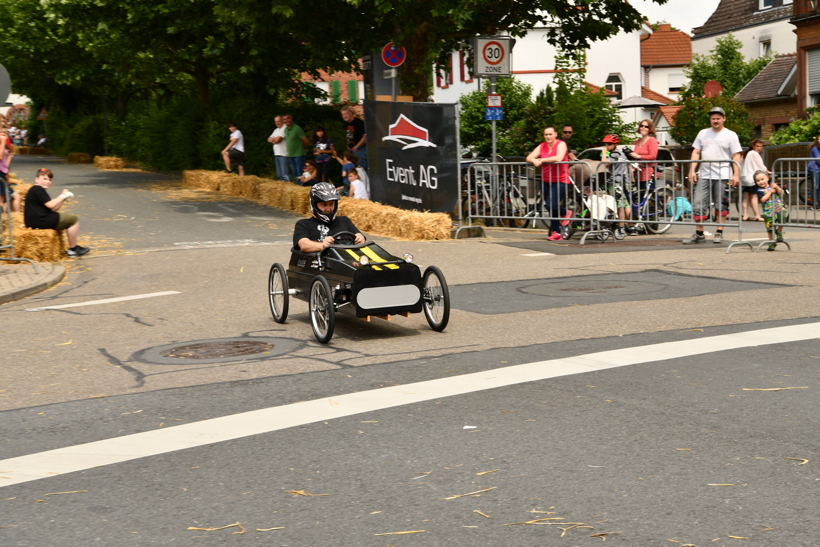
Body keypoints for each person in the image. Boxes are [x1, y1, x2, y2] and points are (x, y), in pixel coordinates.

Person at [682, 106, 742, 245]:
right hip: (704, 174)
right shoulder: (703, 133)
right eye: (713, 118)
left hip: (723, 175)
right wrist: (692, 170)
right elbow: (696, 152)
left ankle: (719, 232)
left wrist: (736, 174)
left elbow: (736, 155)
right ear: (710, 120)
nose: (715, 121)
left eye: (718, 118)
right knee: (698, 203)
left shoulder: (730, 135)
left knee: (721, 204)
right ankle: (699, 233)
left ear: (724, 119)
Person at [24, 168, 89, 257]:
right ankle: (73, 250)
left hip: (37, 220)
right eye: (44, 179)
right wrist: (62, 195)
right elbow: (51, 205)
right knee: (74, 220)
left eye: (50, 180)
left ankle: (73, 249)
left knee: (66, 218)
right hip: (41, 220)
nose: (47, 181)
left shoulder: (37, 190)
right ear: (36, 179)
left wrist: (63, 199)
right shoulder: (37, 189)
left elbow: (54, 209)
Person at [526, 125, 573, 241]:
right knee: (550, 207)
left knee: (551, 205)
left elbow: (559, 157)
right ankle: (556, 233)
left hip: (561, 179)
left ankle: (566, 212)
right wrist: (533, 160)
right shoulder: (542, 146)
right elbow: (529, 157)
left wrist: (541, 160)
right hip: (546, 180)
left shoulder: (561, 144)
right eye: (546, 134)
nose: (548, 136)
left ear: (555, 134)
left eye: (550, 134)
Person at [294, 182, 365, 252]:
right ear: (314, 205)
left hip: (347, 259)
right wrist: (323, 245)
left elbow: (358, 235)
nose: (328, 209)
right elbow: (303, 245)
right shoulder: (303, 224)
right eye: (324, 205)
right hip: (321, 261)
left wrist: (360, 238)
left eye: (331, 204)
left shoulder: (344, 220)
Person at [600, 134, 633, 239]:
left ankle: (621, 227)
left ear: (615, 144)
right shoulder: (622, 153)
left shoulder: (615, 154)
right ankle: (632, 226)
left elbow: (604, 163)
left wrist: (604, 153)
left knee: (620, 205)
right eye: (606, 144)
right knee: (625, 204)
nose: (607, 146)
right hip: (622, 181)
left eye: (609, 144)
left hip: (616, 182)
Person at [754, 170, 785, 251]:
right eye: (758, 180)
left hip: (778, 208)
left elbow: (782, 193)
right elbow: (763, 200)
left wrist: (777, 187)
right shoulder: (759, 191)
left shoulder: (773, 185)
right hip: (768, 212)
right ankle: (771, 242)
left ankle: (779, 232)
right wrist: (770, 192)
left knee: (783, 216)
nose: (761, 182)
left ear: (767, 178)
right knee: (769, 228)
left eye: (762, 179)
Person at [740, 139, 768, 221]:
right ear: (753, 146)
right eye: (757, 146)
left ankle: (745, 215)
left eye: (761, 146)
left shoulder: (745, 153)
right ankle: (757, 215)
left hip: (744, 178)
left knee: (746, 197)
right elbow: (761, 165)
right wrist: (767, 171)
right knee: (754, 197)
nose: (759, 148)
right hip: (751, 179)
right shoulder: (754, 153)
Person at [630, 119, 659, 190]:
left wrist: (639, 156)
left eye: (646, 126)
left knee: (648, 197)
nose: (643, 128)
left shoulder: (652, 140)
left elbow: (653, 156)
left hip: (649, 173)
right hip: (639, 173)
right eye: (641, 126)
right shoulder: (638, 141)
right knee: (639, 196)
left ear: (650, 129)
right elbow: (635, 155)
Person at [283, 113, 310, 182]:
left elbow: (305, 140)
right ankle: (297, 188)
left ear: (291, 119)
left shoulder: (297, 128)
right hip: (291, 155)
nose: (286, 120)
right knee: (295, 173)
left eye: (288, 118)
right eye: (284, 119)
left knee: (300, 173)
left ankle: (302, 188)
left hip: (299, 155)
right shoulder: (286, 129)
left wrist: (306, 148)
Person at [341, 106, 367, 171]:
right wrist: (348, 145)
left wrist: (357, 146)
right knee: (353, 171)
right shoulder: (348, 124)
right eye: (343, 115)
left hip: (359, 151)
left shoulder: (358, 123)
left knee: (360, 170)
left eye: (346, 114)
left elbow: (365, 136)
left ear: (350, 113)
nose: (344, 116)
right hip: (351, 151)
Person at [0, 131, 20, 213]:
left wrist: (7, 176)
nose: (3, 134)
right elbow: (0, 157)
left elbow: (4, 164)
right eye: (2, 132)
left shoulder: (3, 145)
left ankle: (4, 219)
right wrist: (3, 141)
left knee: (5, 199)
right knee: (2, 200)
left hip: (2, 173)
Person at [267, 115, 290, 182]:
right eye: (276, 122)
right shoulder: (276, 130)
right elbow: (268, 139)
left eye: (279, 121)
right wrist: (275, 138)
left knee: (285, 174)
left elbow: (278, 140)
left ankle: (287, 187)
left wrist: (273, 139)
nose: (277, 123)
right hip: (277, 154)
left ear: (282, 121)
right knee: (279, 175)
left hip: (284, 154)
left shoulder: (285, 128)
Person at [808, 136, 820, 210]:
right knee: (816, 186)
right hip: (814, 169)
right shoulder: (815, 148)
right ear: (816, 140)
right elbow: (818, 160)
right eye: (819, 139)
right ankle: (814, 204)